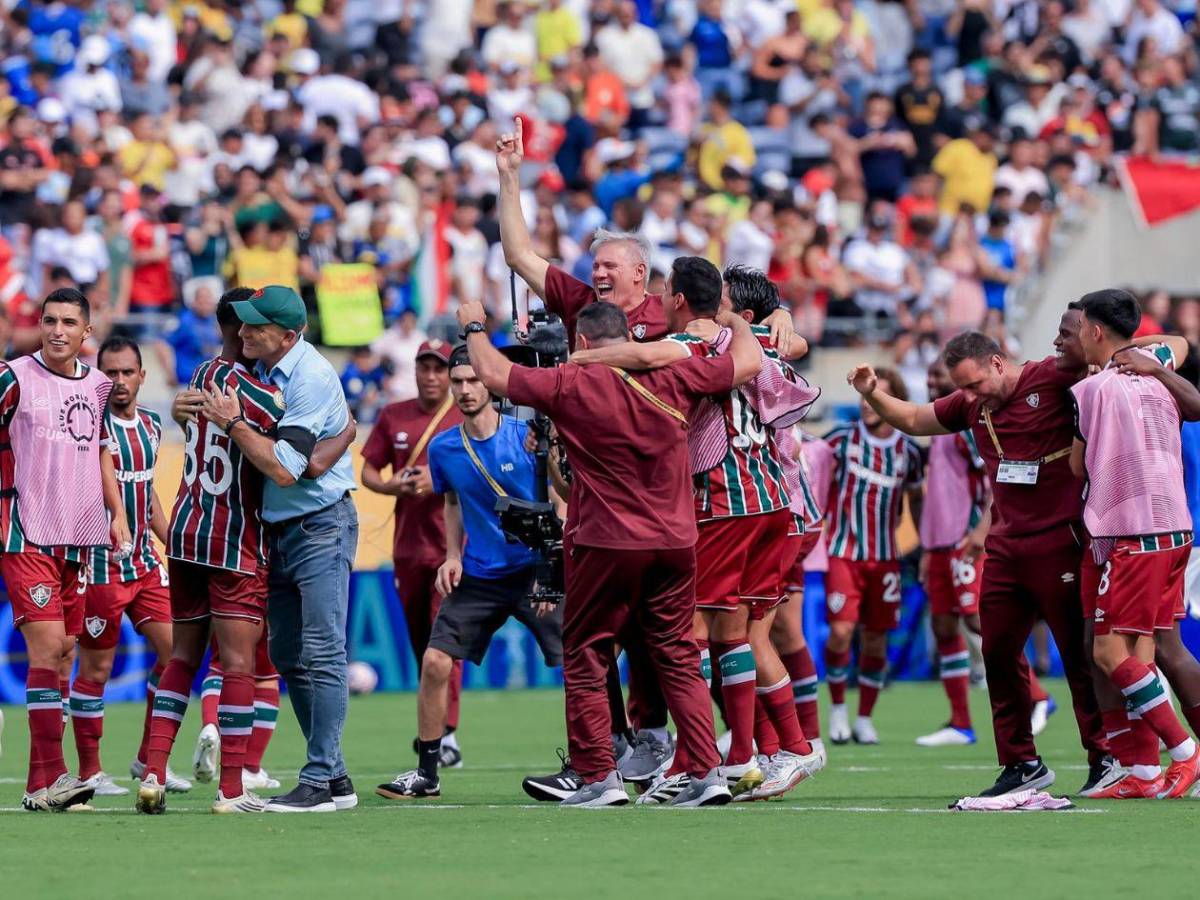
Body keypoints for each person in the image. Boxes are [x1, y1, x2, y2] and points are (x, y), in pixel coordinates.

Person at [461, 293, 764, 807]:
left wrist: (471, 322)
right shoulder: (675, 374)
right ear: (629, 337)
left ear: (582, 341)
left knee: (587, 652)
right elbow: (750, 361)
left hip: (607, 540)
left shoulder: (571, 381)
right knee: (677, 655)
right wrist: (733, 319)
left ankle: (599, 777)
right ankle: (706, 773)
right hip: (676, 539)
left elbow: (490, 373)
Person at [569, 259, 821, 802]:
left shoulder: (691, 343)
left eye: (663, 292)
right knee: (742, 635)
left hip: (722, 502)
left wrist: (582, 355)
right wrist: (778, 316)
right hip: (773, 499)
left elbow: (645, 354)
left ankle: (698, 760)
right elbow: (794, 346)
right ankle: (756, 754)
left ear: (679, 299)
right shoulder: (753, 335)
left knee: (689, 638)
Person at [847, 331, 1112, 796]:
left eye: (973, 384)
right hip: (1006, 545)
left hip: (1061, 540)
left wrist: (1140, 355)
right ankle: (1021, 764)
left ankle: (1105, 756)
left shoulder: (1051, 376)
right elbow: (912, 417)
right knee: (997, 654)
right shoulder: (971, 406)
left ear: (996, 362)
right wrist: (872, 392)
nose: (968, 397)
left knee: (1077, 656)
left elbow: (1128, 355)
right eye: (960, 388)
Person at [141, 288, 354, 815]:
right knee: (271, 657)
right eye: (242, 325)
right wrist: (342, 437)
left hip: (313, 525)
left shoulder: (301, 379)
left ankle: (321, 776)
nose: (245, 333)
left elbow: (288, 468)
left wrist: (225, 420)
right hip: (254, 534)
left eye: (256, 327)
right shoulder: (259, 392)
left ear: (288, 335)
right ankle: (272, 783)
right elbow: (297, 462)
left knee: (319, 650)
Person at [376, 346, 564, 800]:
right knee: (435, 661)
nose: (463, 389)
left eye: (471, 380)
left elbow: (562, 496)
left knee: (581, 661)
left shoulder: (527, 436)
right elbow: (452, 501)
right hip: (479, 574)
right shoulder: (443, 448)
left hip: (534, 570)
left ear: (491, 385)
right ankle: (427, 772)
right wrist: (453, 556)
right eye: (457, 382)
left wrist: (552, 567)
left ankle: (593, 763)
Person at [2, 288, 131, 812]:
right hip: (25, 530)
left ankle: (39, 786)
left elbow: (100, 450)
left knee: (63, 657)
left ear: (87, 332)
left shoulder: (99, 386)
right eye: (49, 320)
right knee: (47, 647)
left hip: (78, 535)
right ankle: (55, 778)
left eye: (68, 322)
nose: (57, 330)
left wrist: (117, 512)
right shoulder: (13, 376)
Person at [1069, 289, 1200, 799]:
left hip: (1130, 529)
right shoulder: (1153, 369)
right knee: (1143, 646)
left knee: (1106, 652)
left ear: (1096, 331)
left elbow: (1080, 465)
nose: (1076, 337)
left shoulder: (1093, 389)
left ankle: (1185, 752)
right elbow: (1179, 346)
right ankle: (1143, 773)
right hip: (1172, 524)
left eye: (1078, 328)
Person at [72, 337, 188, 798]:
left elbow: (148, 494)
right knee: (97, 671)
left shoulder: (153, 427)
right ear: (100, 378)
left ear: (143, 376)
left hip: (144, 563)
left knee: (175, 655)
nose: (119, 382)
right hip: (100, 566)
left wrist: (174, 542)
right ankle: (89, 772)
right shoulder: (88, 428)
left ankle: (148, 759)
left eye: (127, 372)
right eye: (111, 373)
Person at [360, 339, 467, 768]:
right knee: (421, 644)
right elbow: (369, 469)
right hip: (407, 547)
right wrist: (394, 486)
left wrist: (435, 477)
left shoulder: (465, 412)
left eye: (439, 369)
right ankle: (435, 729)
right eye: (425, 367)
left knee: (445, 644)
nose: (431, 376)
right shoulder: (394, 415)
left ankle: (447, 735)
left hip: (453, 548)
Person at [823, 367, 923, 746]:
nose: (867, 404)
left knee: (876, 639)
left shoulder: (908, 452)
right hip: (843, 553)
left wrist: (924, 543)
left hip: (884, 558)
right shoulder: (841, 440)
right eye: (863, 396)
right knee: (840, 633)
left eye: (876, 396)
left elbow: (915, 499)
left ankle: (864, 717)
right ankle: (836, 711)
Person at [915, 357, 990, 747]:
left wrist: (981, 529)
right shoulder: (939, 426)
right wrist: (928, 547)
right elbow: (937, 495)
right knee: (943, 626)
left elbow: (994, 475)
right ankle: (961, 722)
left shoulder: (966, 425)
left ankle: (1038, 698)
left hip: (965, 538)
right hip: (940, 544)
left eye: (937, 374)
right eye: (928, 374)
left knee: (976, 620)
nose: (930, 380)